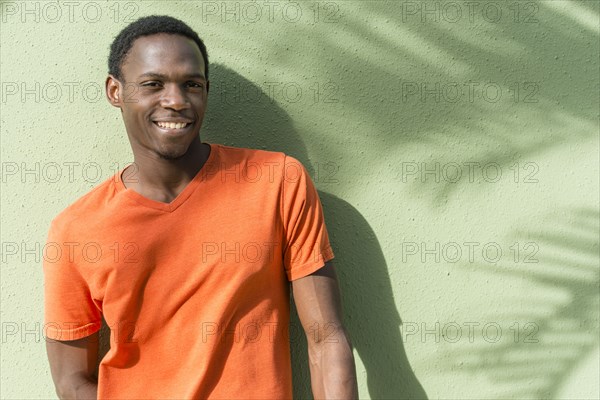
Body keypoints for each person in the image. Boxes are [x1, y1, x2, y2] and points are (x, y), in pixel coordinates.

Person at [42, 15, 358, 399]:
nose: (175, 101)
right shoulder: (75, 230)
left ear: (206, 91)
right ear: (115, 91)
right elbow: (71, 382)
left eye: (191, 84)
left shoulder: (277, 182)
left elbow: (326, 339)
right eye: (153, 84)